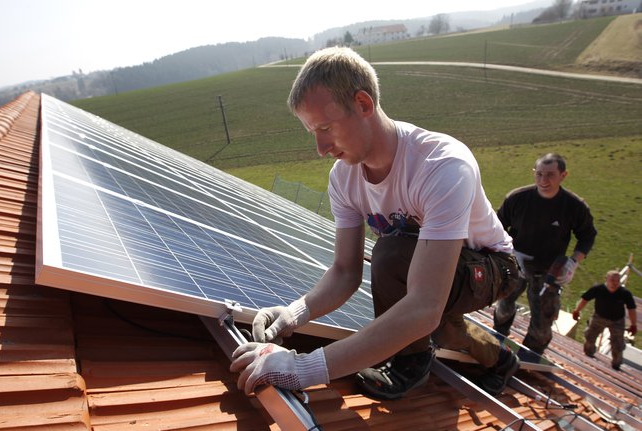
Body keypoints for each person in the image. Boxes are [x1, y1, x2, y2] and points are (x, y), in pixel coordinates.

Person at [230, 46, 520, 400]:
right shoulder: (344, 178)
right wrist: (292, 315)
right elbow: (344, 272)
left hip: (492, 265)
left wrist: (301, 368)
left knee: (392, 258)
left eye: (325, 127)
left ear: (364, 105)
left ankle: (409, 363)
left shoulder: (442, 165)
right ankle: (503, 359)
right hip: (436, 264)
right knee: (444, 328)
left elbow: (424, 306)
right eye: (312, 132)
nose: (320, 148)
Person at [492, 153, 597, 355]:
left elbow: (587, 236)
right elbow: (496, 227)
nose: (543, 180)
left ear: (563, 175)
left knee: (542, 323)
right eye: (539, 174)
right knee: (503, 305)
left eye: (550, 175)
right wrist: (509, 251)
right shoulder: (516, 199)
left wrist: (573, 262)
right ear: (534, 173)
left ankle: (529, 359)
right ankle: (498, 342)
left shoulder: (574, 206)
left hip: (549, 271)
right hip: (515, 263)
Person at [572, 270, 637, 370]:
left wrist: (633, 324)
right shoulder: (598, 289)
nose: (614, 283)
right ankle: (588, 355)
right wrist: (577, 310)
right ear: (606, 279)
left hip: (617, 321)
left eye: (617, 281)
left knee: (618, 345)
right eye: (612, 280)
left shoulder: (625, 293)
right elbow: (585, 299)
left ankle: (616, 365)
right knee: (590, 336)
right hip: (599, 317)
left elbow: (631, 309)